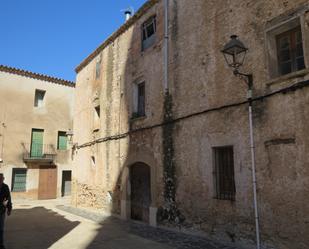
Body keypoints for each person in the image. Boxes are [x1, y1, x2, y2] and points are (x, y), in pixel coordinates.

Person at [0, 174, 12, 249]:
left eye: (2, 178)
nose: (1, 179)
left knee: (1, 229)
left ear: (3, 179)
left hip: (1, 211)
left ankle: (1, 244)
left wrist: (9, 208)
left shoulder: (5, 187)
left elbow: (8, 198)